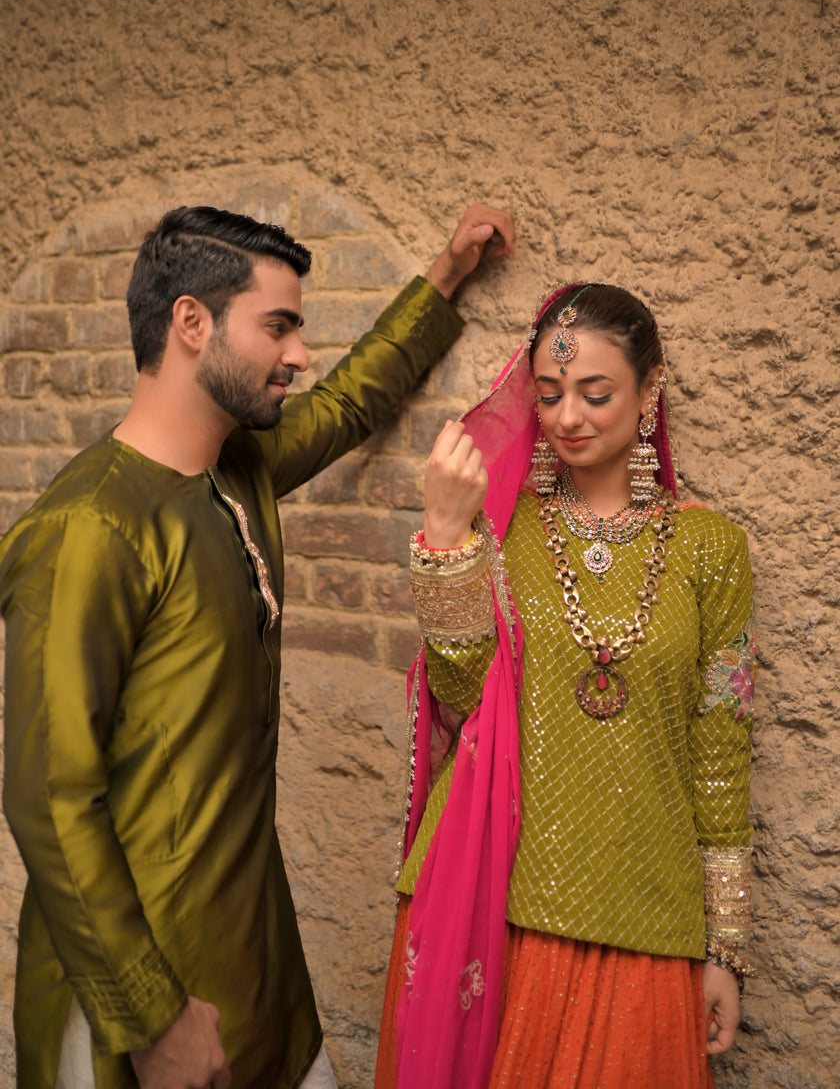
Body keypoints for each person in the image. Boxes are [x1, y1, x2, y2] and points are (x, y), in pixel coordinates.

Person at [0, 200, 515, 1089]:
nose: (298, 354)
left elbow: (350, 402)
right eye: (277, 326)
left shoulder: (236, 474)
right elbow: (49, 798)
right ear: (191, 323)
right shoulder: (89, 528)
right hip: (142, 994)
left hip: (257, 957)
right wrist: (154, 1016)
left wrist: (448, 273)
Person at [375, 281, 756, 1089]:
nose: (568, 416)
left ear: (651, 390)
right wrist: (446, 535)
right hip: (490, 897)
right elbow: (459, 689)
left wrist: (724, 945)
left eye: (595, 392)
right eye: (548, 395)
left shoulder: (713, 552)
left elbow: (722, 749)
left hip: (642, 915)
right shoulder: (503, 526)